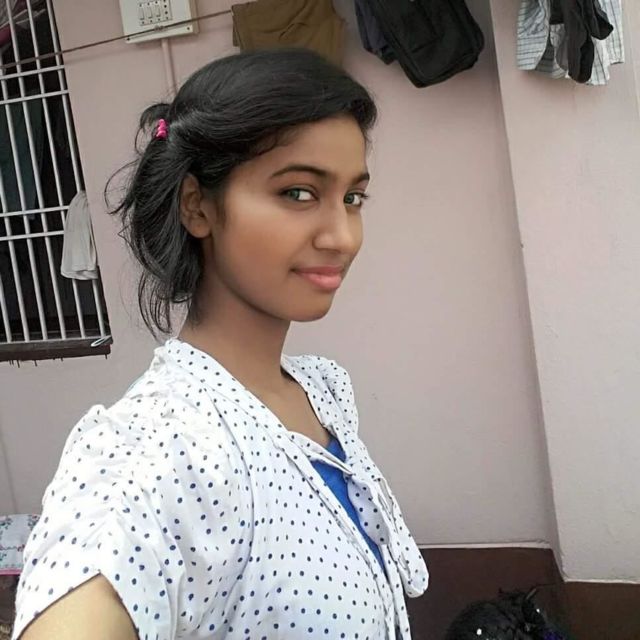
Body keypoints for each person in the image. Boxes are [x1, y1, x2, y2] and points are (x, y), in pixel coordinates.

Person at [12, 48, 428, 640]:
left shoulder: (320, 391)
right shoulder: (161, 443)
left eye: (352, 198)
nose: (342, 236)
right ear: (197, 206)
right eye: (298, 193)